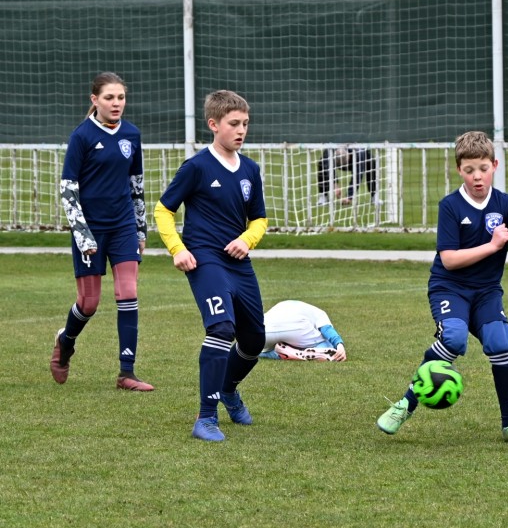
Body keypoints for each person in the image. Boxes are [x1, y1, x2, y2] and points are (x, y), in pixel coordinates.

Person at [376, 130, 508, 446]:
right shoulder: (451, 206)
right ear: (459, 170)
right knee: (454, 338)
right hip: (450, 288)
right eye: (469, 170)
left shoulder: (504, 203)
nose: (477, 177)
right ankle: (404, 405)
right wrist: (493, 245)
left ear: (494, 165)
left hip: (487, 292)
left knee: (502, 346)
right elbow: (450, 260)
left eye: (483, 168)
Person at [154, 90, 268, 443]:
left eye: (245, 123)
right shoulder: (197, 167)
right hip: (204, 259)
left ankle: (228, 389)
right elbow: (163, 210)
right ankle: (205, 417)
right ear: (214, 124)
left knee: (254, 340)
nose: (241, 130)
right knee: (221, 329)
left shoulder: (250, 169)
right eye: (234, 123)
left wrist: (247, 239)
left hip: (239, 263)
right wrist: (177, 249)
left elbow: (259, 219)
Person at [50, 72, 153, 392]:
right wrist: (82, 234)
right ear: (94, 100)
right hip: (90, 229)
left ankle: (127, 373)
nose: (116, 103)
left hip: (123, 225)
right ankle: (65, 342)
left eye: (121, 97)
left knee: (128, 292)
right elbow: (68, 189)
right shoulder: (81, 136)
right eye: (109, 97)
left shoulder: (132, 134)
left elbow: (136, 186)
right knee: (89, 303)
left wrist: (140, 229)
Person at [259, 300, 346, 361]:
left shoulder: (278, 308)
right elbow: (326, 329)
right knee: (328, 344)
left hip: (266, 330)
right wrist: (339, 344)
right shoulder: (321, 313)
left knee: (257, 351)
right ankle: (299, 351)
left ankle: (278, 353)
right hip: (298, 328)